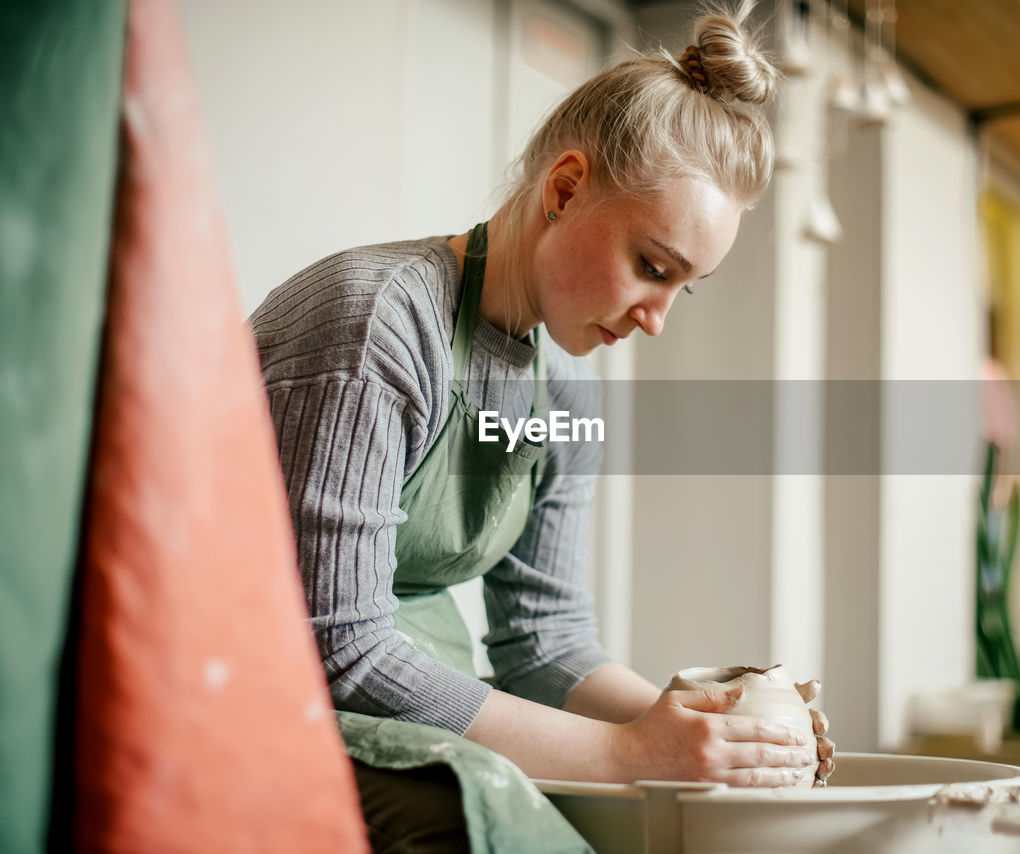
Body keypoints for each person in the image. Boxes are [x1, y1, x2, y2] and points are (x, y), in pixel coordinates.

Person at [251, 2, 833, 849]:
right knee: (500, 811)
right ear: (564, 189)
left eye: (683, 287)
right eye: (651, 267)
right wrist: (632, 751)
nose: (656, 318)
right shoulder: (376, 323)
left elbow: (545, 640)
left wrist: (724, 731)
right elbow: (340, 648)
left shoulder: (566, 392)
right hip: (262, 692)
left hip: (398, 702)